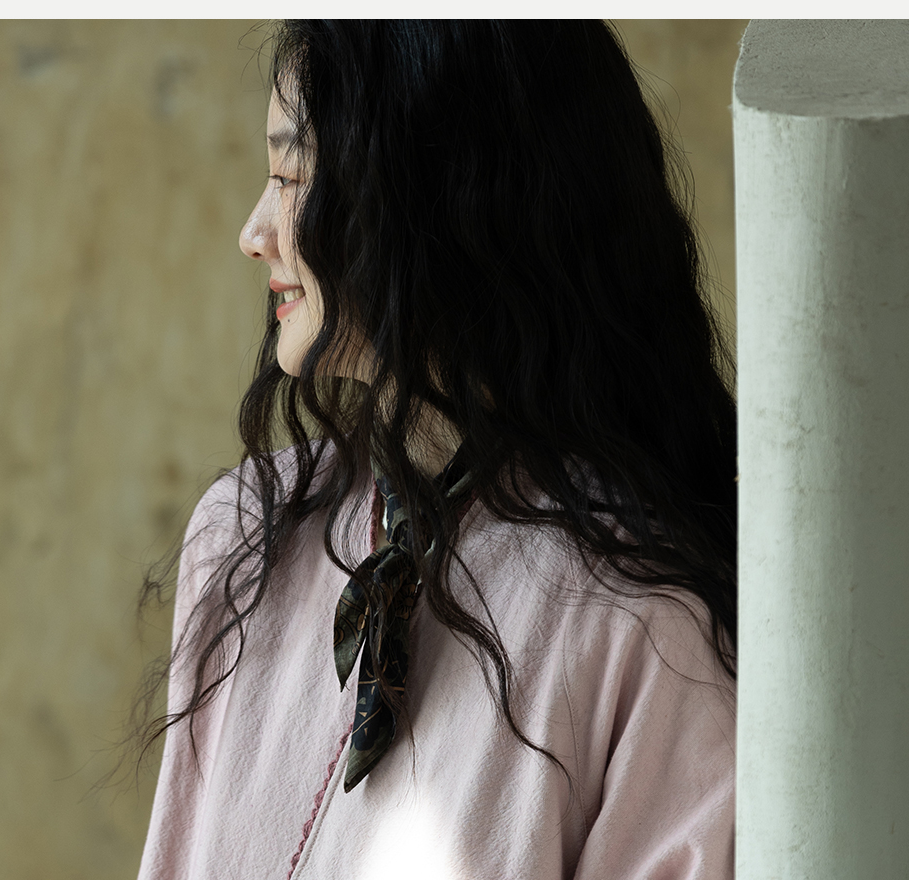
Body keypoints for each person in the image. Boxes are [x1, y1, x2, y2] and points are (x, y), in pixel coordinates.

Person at [136, 19, 736, 880]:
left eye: (290, 175)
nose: (254, 232)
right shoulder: (244, 533)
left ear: (436, 202)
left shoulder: (644, 625)